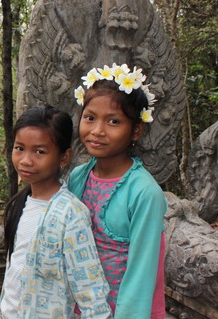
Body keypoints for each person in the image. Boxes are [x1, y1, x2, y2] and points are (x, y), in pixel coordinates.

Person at [69, 63, 167, 318]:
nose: (97, 131)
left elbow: (143, 271)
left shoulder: (144, 193)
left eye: (113, 121)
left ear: (136, 130)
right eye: (90, 118)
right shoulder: (78, 178)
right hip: (77, 308)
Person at [0, 105, 111, 319]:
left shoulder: (70, 214)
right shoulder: (19, 204)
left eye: (39, 152)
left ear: (64, 157)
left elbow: (91, 290)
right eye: (19, 148)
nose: (25, 160)